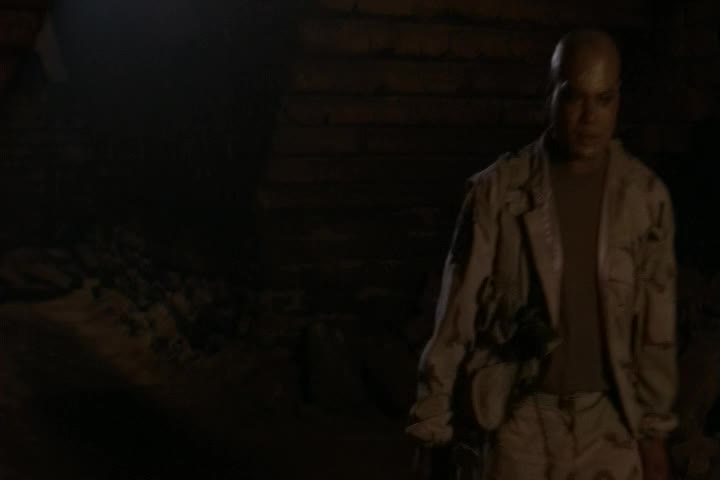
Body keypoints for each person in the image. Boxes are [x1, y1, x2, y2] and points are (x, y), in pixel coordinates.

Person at [406, 29, 677, 480]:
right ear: (549, 95)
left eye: (603, 99)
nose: (588, 117)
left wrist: (653, 434)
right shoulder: (498, 192)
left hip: (608, 422)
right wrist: (431, 424)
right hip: (521, 418)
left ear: (618, 100)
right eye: (573, 97)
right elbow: (455, 317)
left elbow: (655, 330)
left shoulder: (644, 199)